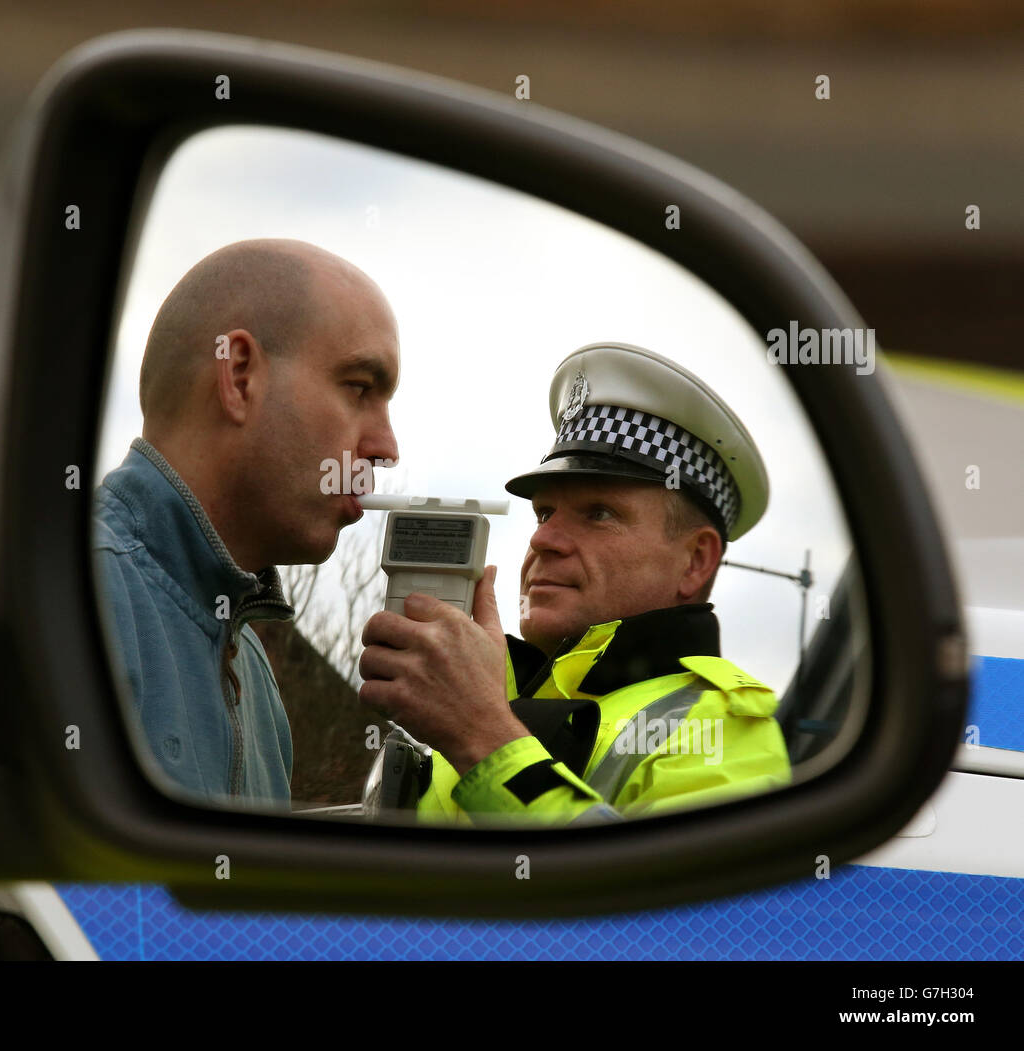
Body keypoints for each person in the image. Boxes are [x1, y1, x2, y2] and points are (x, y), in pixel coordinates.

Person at [359, 342, 789, 824]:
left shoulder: (725, 728)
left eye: (598, 513)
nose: (543, 538)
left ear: (695, 561)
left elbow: (661, 898)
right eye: (544, 513)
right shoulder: (480, 700)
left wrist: (483, 738)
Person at [94, 239, 399, 808]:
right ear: (238, 376)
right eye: (359, 387)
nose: (386, 448)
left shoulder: (253, 673)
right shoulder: (84, 601)